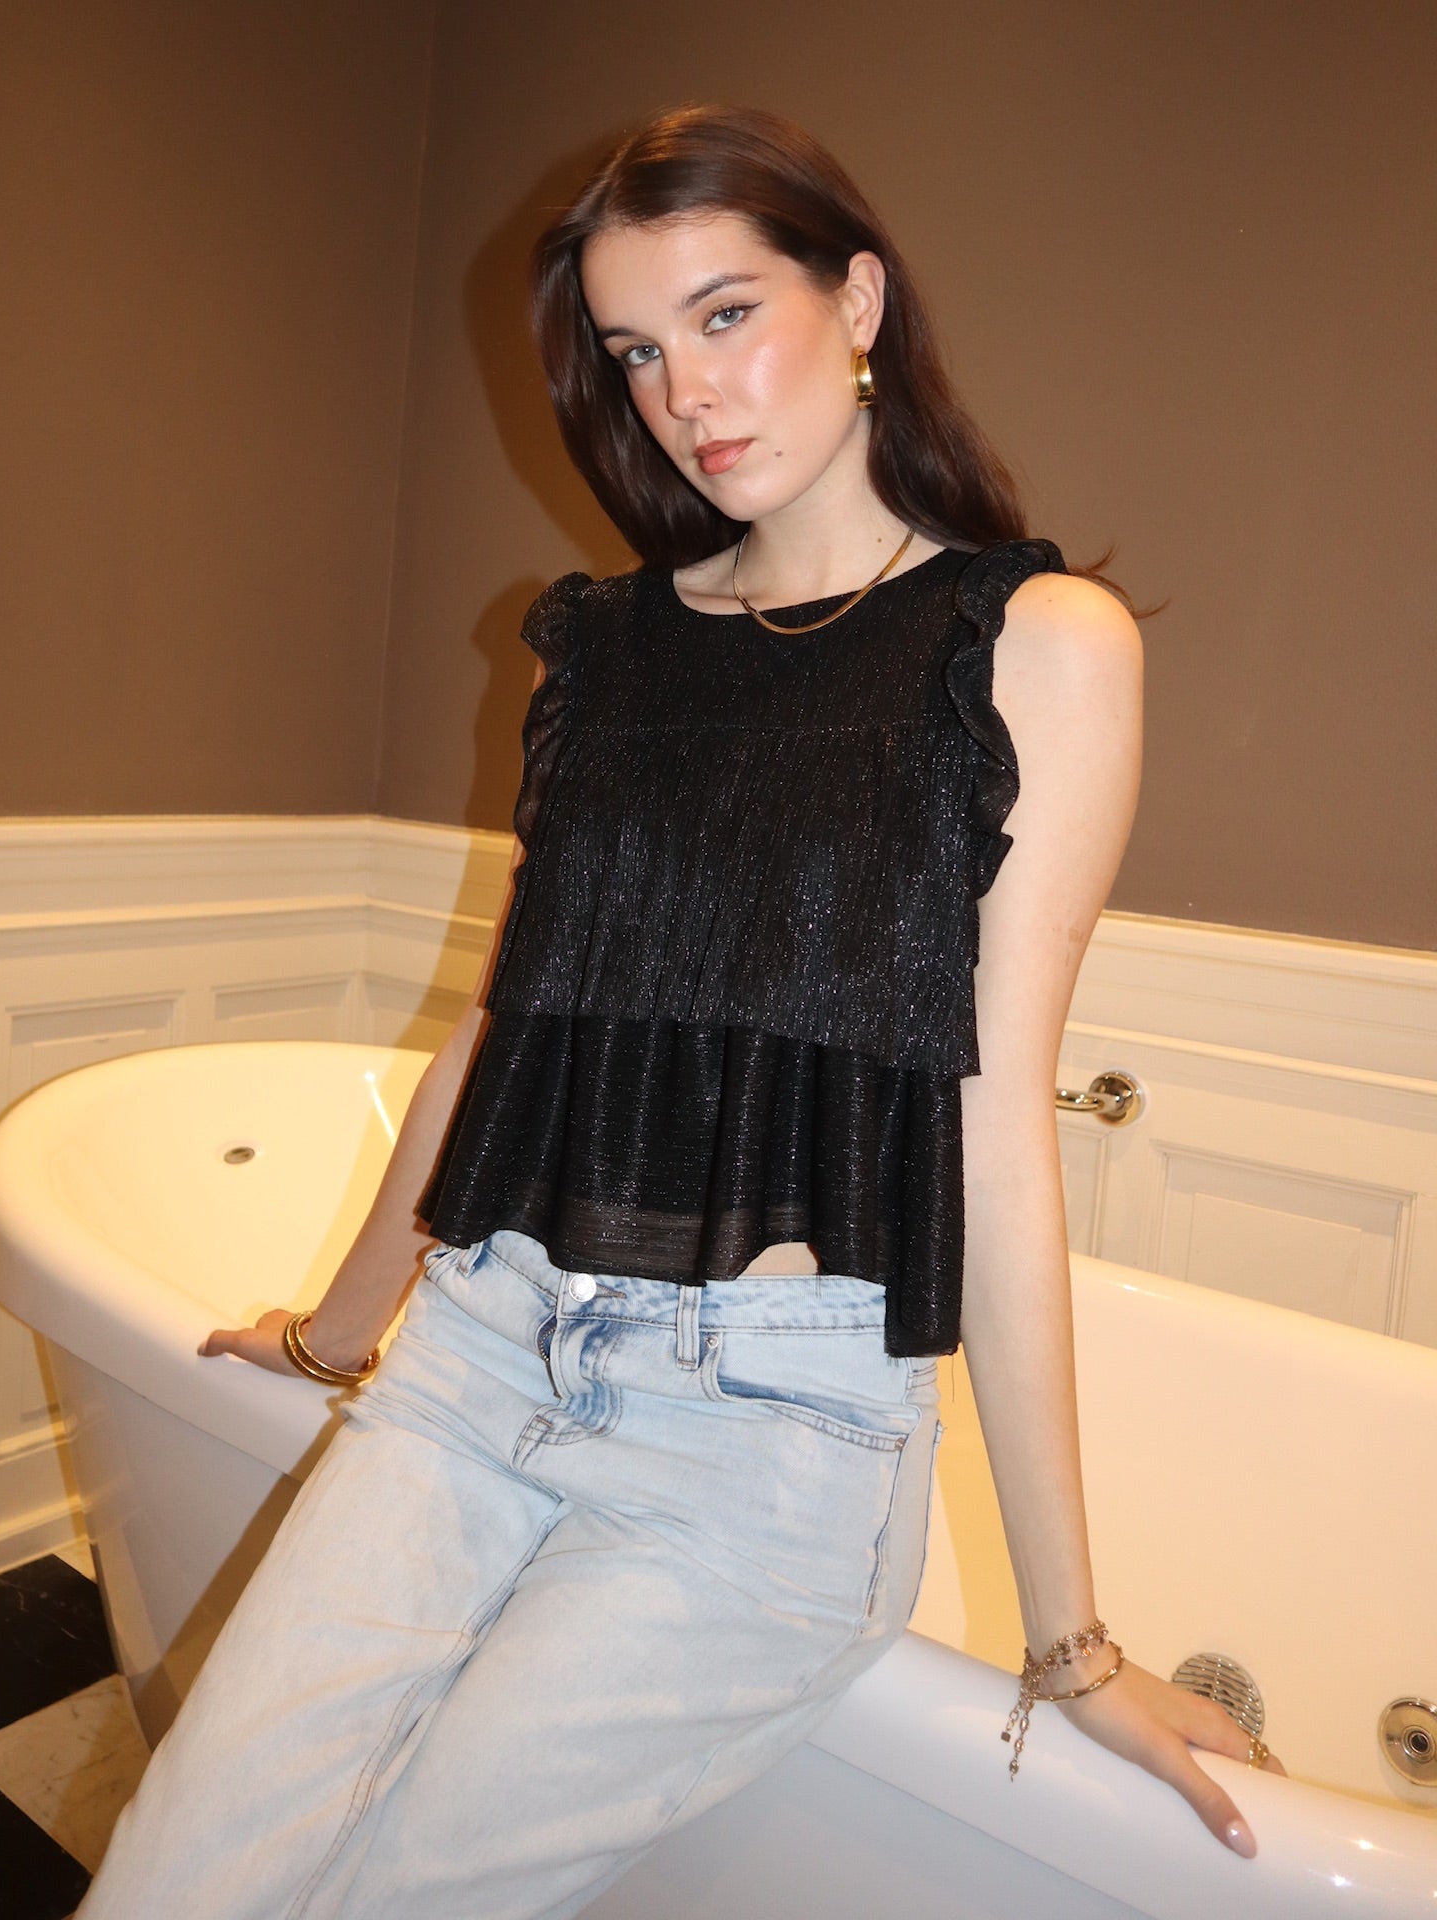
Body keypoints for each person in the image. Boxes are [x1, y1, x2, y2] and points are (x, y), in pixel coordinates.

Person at [78, 103, 1286, 1919]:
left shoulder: (1031, 643)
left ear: (857, 301)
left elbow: (995, 1128)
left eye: (727, 315)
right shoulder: (604, 645)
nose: (686, 395)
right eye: (638, 351)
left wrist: (1071, 1644)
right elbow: (504, 1033)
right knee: (171, 1876)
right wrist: (334, 1339)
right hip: (484, 1358)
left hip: (769, 1444)